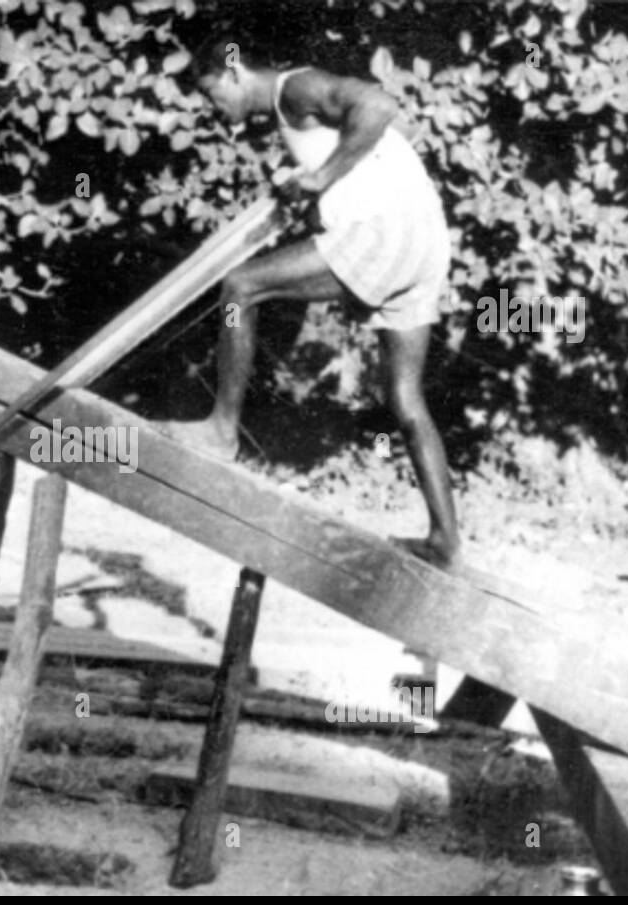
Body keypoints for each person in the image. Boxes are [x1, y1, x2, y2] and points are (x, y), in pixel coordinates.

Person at [158, 40, 460, 567]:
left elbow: (381, 105)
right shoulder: (297, 113)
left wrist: (321, 179)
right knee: (404, 397)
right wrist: (315, 183)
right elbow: (381, 141)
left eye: (212, 95)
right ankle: (446, 541)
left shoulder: (293, 88)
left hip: (385, 232)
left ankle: (221, 429)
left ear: (234, 72)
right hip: (427, 240)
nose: (215, 110)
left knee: (240, 287)